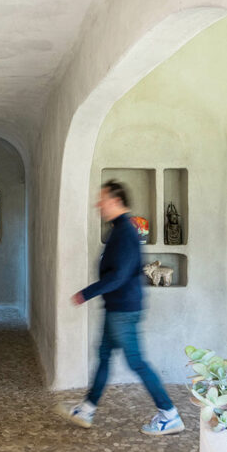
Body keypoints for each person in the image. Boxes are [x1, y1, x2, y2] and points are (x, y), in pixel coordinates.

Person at [64, 179, 184, 435]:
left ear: (116, 201)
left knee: (136, 362)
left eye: (103, 199)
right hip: (117, 308)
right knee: (105, 355)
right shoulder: (118, 230)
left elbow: (118, 275)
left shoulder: (125, 232)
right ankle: (87, 408)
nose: (99, 204)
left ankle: (170, 414)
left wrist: (86, 293)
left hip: (124, 311)